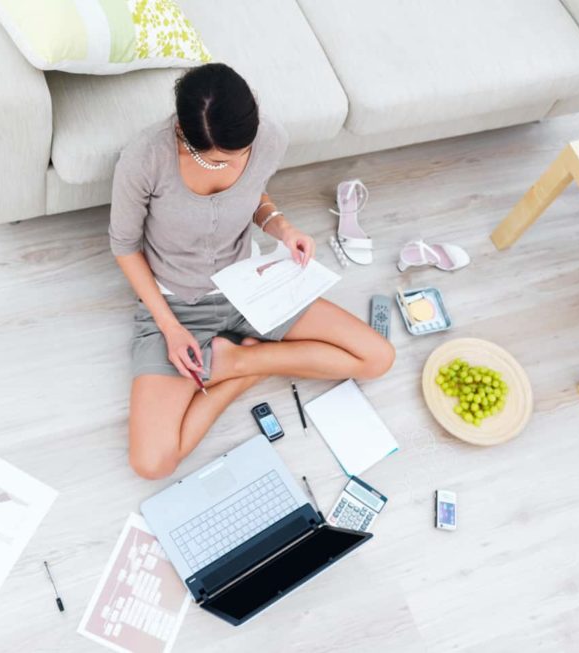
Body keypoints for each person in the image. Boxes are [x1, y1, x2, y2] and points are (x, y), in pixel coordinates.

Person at [110, 63, 394, 479]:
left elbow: (255, 195)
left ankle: (240, 363)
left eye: (241, 153)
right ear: (184, 136)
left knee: (377, 359)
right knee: (152, 463)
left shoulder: (269, 137)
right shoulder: (144, 158)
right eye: (222, 160)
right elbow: (124, 246)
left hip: (250, 286)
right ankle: (250, 364)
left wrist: (281, 225)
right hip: (178, 305)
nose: (237, 162)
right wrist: (170, 328)